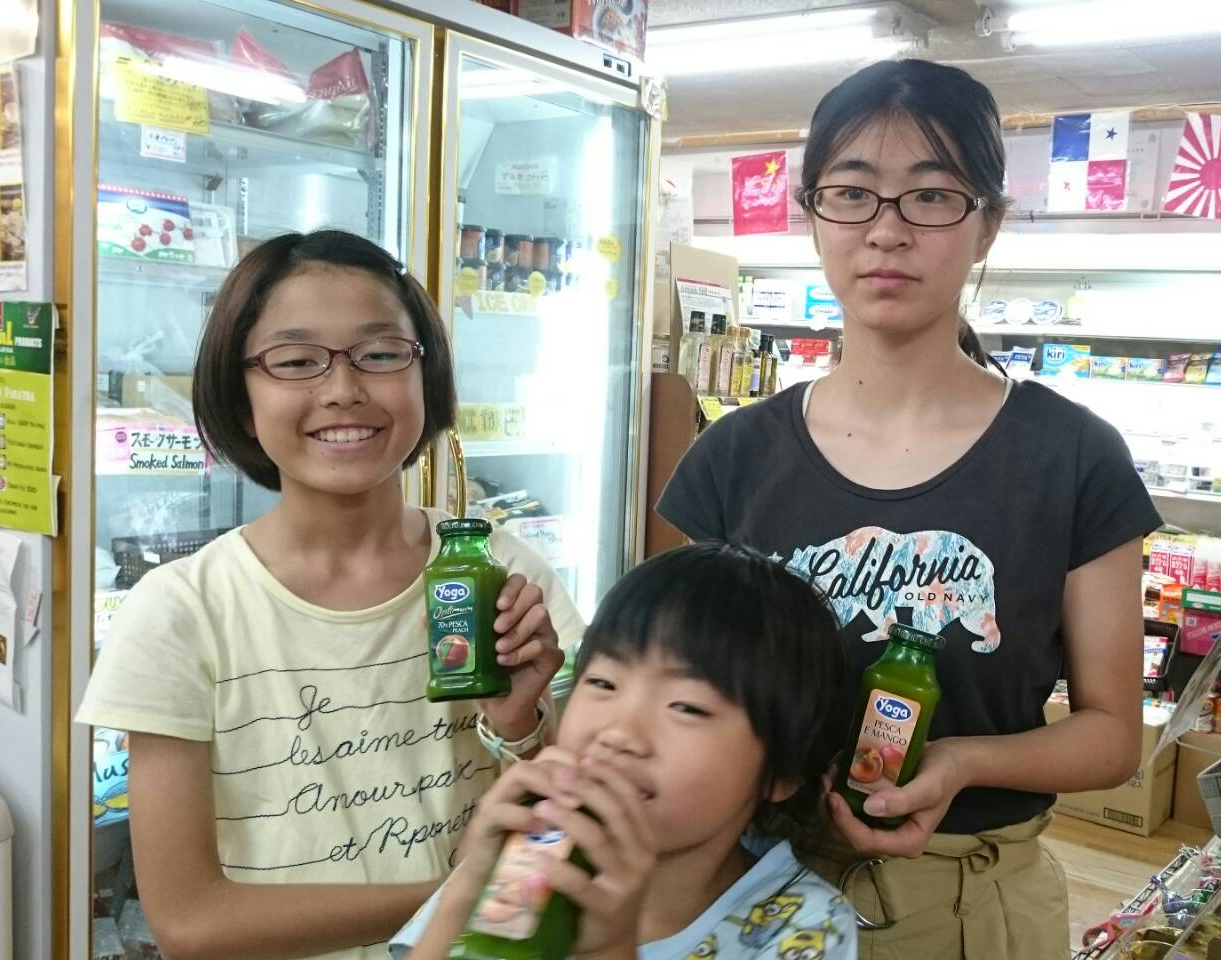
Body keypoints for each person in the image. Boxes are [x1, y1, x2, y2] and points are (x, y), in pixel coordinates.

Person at [657, 60, 1161, 958]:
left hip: (975, 907)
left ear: (987, 225)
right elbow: (680, 695)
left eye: (931, 197)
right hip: (752, 894)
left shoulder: (1073, 457)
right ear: (812, 216)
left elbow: (1113, 736)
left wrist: (962, 762)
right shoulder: (732, 459)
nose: (886, 231)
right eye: (852, 194)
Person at [76, 230, 584, 960]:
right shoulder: (182, 611)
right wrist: (454, 896)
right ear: (241, 398)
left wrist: (521, 726)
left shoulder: (498, 569)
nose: (344, 388)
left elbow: (569, 822)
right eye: (295, 361)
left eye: (381, 354)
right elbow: (190, 922)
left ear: (427, 375)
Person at [390, 542, 858, 959]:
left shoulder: (805, 925)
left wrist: (608, 949)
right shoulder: (523, 859)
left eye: (687, 707)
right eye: (602, 682)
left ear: (783, 772)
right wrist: (463, 895)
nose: (619, 732)